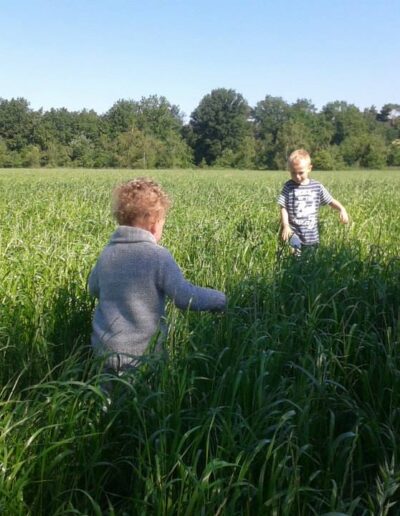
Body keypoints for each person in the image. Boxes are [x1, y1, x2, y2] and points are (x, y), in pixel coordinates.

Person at [88, 177, 226, 373]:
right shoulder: (158, 256)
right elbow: (184, 297)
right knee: (142, 401)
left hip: (104, 353)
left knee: (107, 399)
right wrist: (219, 299)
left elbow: (93, 288)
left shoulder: (108, 254)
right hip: (143, 356)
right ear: (154, 224)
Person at [278, 149, 349, 254]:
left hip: (311, 235)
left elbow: (330, 200)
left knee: (310, 261)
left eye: (301, 172)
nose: (297, 176)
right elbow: (283, 206)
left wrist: (342, 209)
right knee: (295, 257)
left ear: (309, 169)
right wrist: (286, 226)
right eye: (293, 173)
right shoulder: (289, 186)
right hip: (293, 232)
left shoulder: (317, 187)